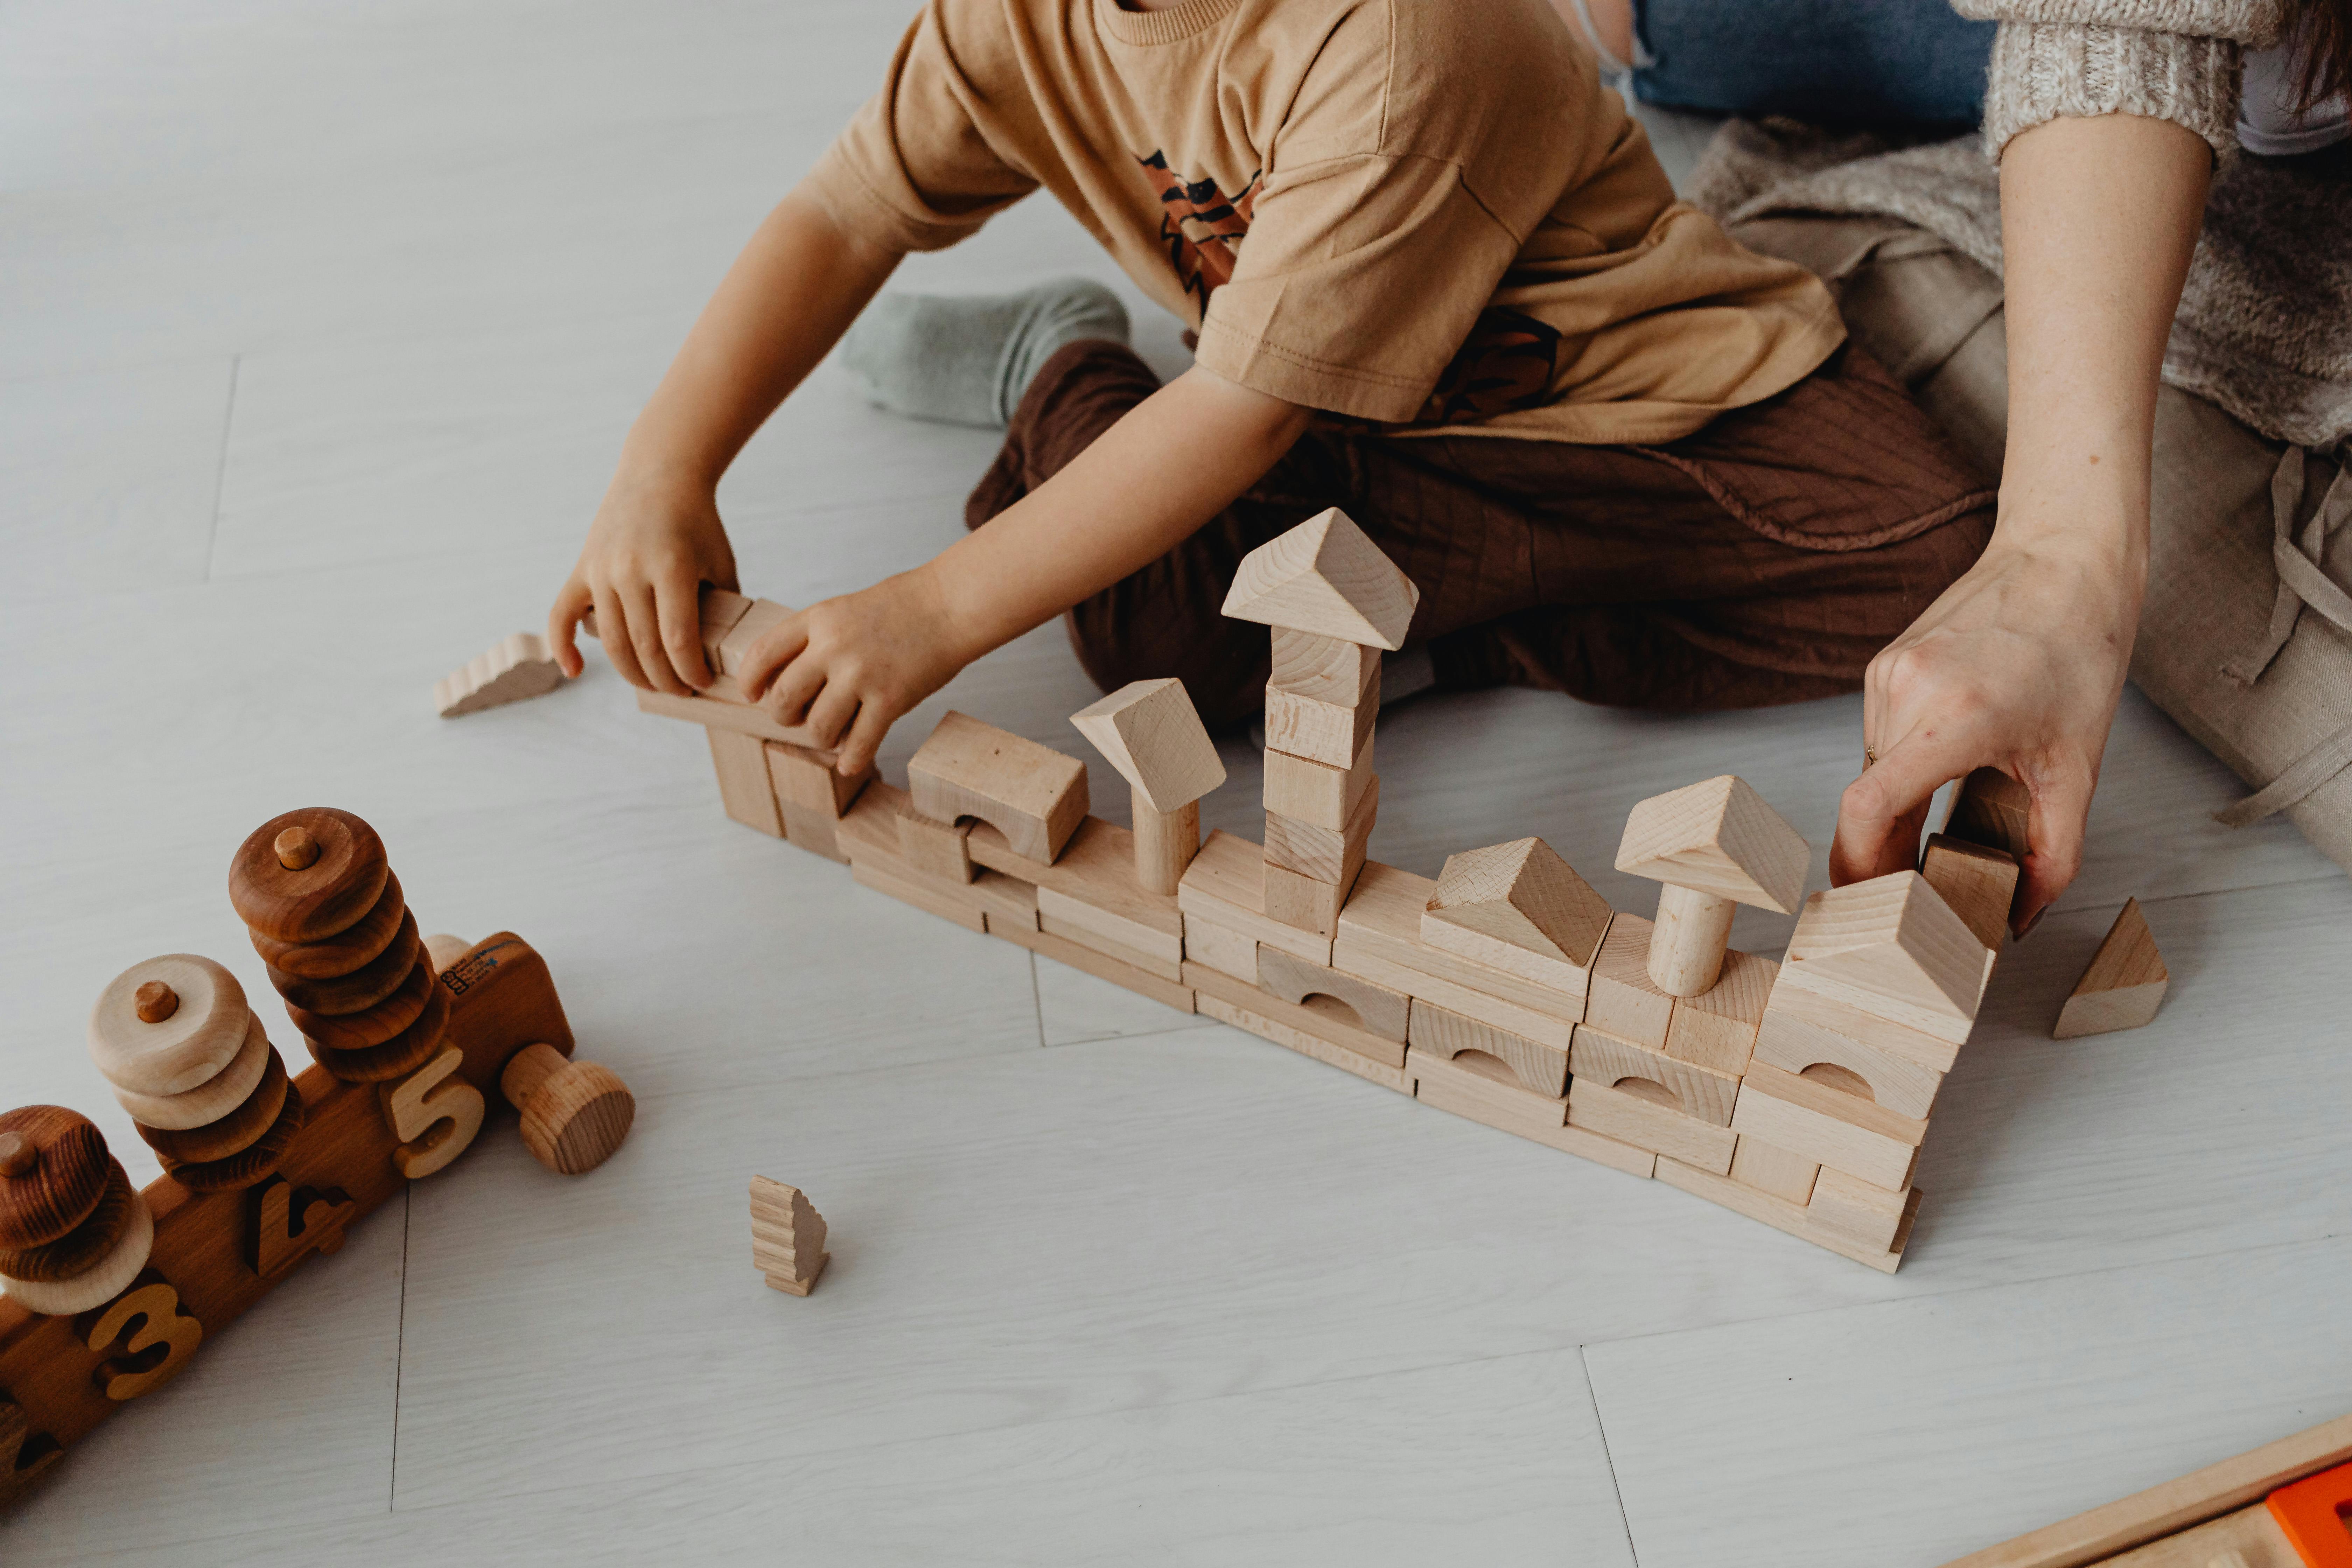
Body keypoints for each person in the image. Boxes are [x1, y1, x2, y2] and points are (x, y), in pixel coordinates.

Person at [551, 0, 1999, 895]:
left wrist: (930, 609)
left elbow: (1239, 414)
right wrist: (661, 470)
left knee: (1938, 561)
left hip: (1608, 398)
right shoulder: (1013, 16)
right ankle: (1058, 359)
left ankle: (1442, 629)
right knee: (1147, 635)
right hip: (1305, 408)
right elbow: (853, 204)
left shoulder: (1406, 43)